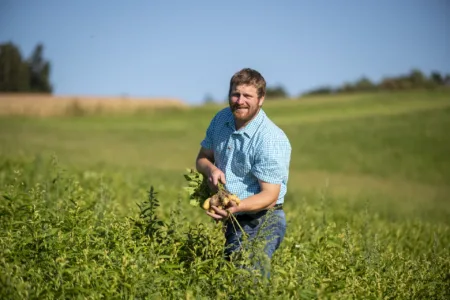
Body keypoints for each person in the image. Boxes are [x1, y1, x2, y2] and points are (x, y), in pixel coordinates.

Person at [195, 68, 292, 275]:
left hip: (263, 219)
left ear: (261, 99)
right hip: (236, 218)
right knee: (232, 279)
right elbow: (202, 159)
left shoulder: (270, 139)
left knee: (247, 281)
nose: (240, 101)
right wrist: (211, 169)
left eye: (248, 96)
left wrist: (235, 208)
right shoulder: (221, 119)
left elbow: (270, 195)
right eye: (235, 94)